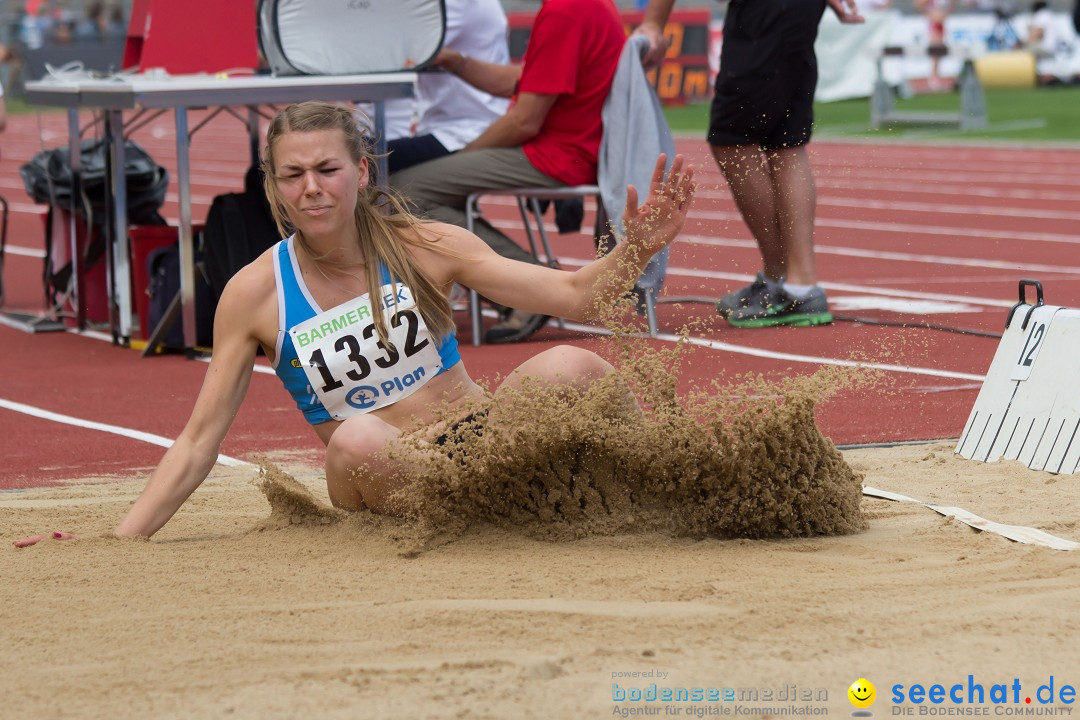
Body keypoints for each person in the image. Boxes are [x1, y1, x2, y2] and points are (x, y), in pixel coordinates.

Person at [13, 101, 695, 547]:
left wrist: (637, 248)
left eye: (328, 169)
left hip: (480, 444)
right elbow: (198, 441)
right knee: (361, 435)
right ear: (274, 185)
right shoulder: (254, 294)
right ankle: (487, 521)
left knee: (572, 366)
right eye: (293, 174)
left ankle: (672, 484)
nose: (312, 187)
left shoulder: (426, 244)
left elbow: (576, 298)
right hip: (375, 469)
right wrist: (121, 542)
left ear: (361, 173)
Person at [391, 0, 626, 344]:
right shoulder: (589, 5)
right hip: (571, 147)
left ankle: (532, 285)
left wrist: (464, 157)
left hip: (560, 154)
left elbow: (524, 120)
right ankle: (512, 284)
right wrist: (456, 62)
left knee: (401, 191)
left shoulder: (565, 10)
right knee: (417, 188)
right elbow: (518, 82)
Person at [637, 0, 861, 329]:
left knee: (732, 141)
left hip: (765, 13)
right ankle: (797, 283)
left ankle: (784, 282)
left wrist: (655, 23)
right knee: (785, 143)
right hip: (790, 12)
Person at [385, 0, 510, 175]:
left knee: (361, 155)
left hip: (464, 132)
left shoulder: (454, 5)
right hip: (462, 125)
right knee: (361, 151)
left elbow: (396, 49)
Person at [917, 0, 955, 91]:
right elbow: (919, 4)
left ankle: (936, 76)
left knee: (939, 52)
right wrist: (929, 14)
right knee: (935, 51)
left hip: (940, 22)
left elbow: (951, 4)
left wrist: (945, 14)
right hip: (933, 22)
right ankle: (933, 78)